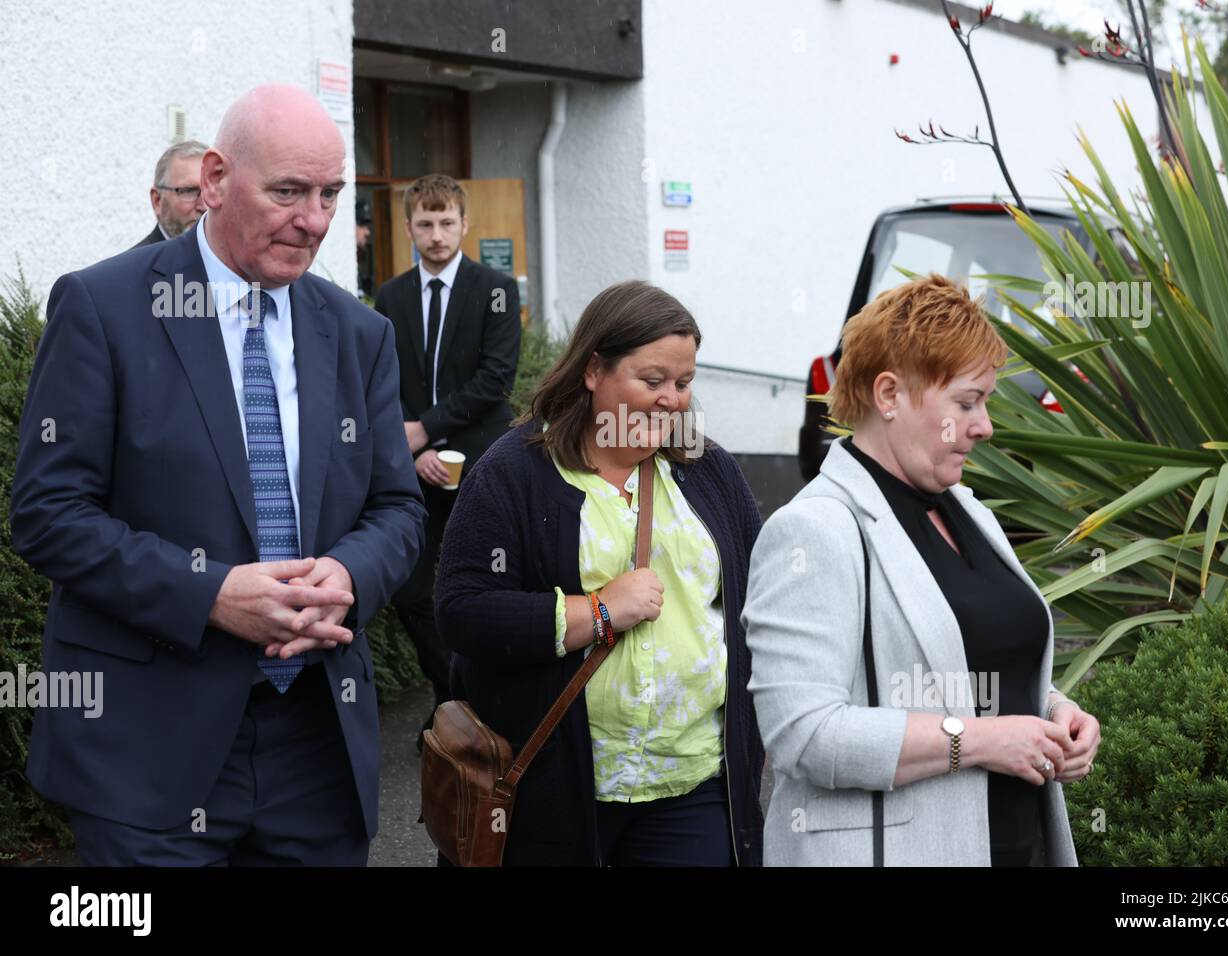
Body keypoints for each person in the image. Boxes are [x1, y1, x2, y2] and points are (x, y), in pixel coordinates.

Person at [11, 85, 425, 866]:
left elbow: (398, 506)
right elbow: (47, 512)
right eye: (287, 191)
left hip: (316, 747)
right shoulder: (103, 307)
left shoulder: (360, 334)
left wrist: (347, 572)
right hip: (147, 752)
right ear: (213, 179)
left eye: (331, 193)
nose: (315, 219)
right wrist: (210, 595)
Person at [742, 273, 1100, 866]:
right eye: (967, 402)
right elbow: (803, 735)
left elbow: (973, 662)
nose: (985, 426)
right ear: (889, 395)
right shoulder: (813, 531)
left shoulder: (968, 510)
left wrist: (1055, 711)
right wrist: (983, 741)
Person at [434, 280, 765, 866]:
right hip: (554, 790)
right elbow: (462, 611)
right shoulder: (515, 472)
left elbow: (758, 597)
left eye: (684, 383)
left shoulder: (708, 470)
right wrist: (596, 612)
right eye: (652, 380)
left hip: (690, 785)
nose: (671, 400)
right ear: (593, 370)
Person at [372, 174, 520, 746]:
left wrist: (426, 431)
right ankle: (455, 694)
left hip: (480, 464)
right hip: (413, 463)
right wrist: (416, 451)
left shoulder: (496, 289)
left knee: (484, 585)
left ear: (465, 224)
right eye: (425, 224)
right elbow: (381, 381)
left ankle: (474, 705)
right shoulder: (391, 296)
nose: (437, 234)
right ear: (409, 227)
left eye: (447, 222)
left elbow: (494, 380)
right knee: (410, 589)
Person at [134, 139, 209, 247]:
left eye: (210, 191)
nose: (204, 206)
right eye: (189, 191)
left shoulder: (231, 261)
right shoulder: (137, 263)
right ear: (157, 201)